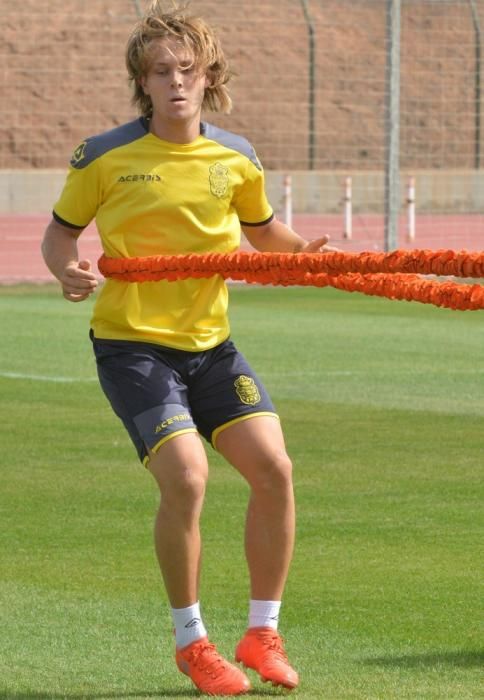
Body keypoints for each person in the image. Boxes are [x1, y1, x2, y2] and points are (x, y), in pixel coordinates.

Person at [41, 1, 336, 695]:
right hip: (133, 348)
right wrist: (68, 269)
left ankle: (262, 632)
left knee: (275, 469)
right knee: (188, 478)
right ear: (141, 83)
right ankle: (192, 643)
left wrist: (305, 256)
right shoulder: (104, 154)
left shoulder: (235, 156)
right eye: (159, 72)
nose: (174, 82)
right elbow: (60, 233)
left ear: (209, 75)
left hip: (211, 347)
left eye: (186, 69)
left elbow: (263, 234)